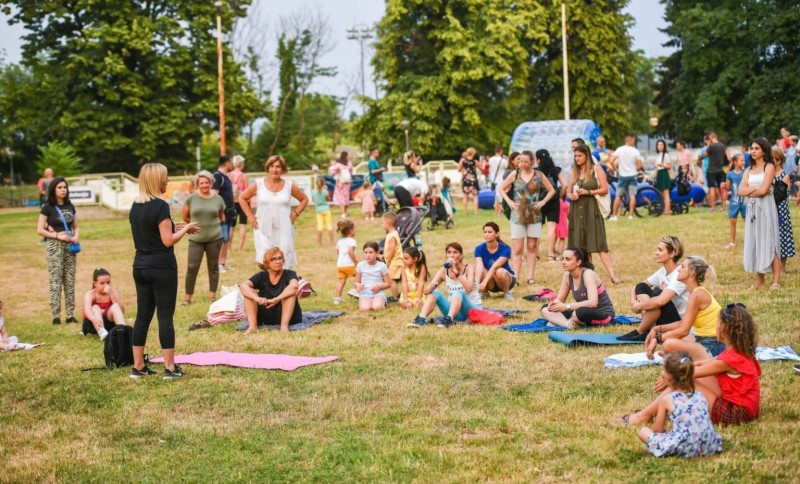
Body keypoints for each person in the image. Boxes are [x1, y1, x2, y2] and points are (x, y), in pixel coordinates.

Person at [626, 303, 761, 427]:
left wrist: (669, 374)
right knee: (684, 376)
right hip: (743, 409)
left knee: (684, 381)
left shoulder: (730, 359)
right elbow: (702, 363)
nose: (715, 327)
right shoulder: (737, 352)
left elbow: (689, 373)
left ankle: (644, 416)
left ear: (724, 329)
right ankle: (651, 413)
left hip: (735, 413)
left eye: (717, 323)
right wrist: (677, 364)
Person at [129, 163, 199, 379]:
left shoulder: (135, 206)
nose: (167, 181)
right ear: (156, 180)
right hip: (161, 267)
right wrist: (186, 229)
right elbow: (167, 241)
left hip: (140, 266)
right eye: (165, 178)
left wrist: (175, 227)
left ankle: (138, 367)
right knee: (165, 317)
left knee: (142, 316)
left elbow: (151, 232)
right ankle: (170, 368)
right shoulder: (160, 206)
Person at [633, 352, 722, 458]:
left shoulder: (667, 399)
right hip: (709, 445)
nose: (662, 373)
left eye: (665, 370)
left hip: (684, 447)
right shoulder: (700, 395)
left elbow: (658, 431)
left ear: (669, 376)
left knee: (643, 431)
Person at [643, 255, 723, 362]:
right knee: (672, 340)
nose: (679, 269)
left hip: (713, 346)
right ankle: (683, 355)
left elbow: (684, 331)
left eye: (683, 267)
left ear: (692, 272)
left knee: (668, 343)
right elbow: (684, 323)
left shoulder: (697, 295)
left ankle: (689, 356)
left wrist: (657, 339)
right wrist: (656, 329)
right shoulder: (696, 293)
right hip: (705, 342)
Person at [239, 155, 308, 270]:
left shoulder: (289, 185)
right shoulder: (259, 184)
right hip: (263, 228)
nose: (274, 169)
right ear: (267, 168)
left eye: (278, 166)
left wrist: (295, 214)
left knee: (283, 261)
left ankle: (284, 281)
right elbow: (242, 198)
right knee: (265, 261)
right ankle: (269, 281)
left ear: (283, 169)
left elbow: (304, 199)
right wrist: (250, 216)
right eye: (271, 166)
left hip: (283, 229)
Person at [566, 144, 623, 284]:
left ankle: (612, 275)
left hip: (592, 210)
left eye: (580, 156)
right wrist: (571, 195)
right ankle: (589, 275)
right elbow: (568, 191)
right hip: (577, 210)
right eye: (575, 156)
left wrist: (589, 192)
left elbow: (604, 189)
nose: (577, 158)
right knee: (582, 246)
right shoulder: (574, 172)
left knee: (600, 243)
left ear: (587, 155)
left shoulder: (596, 169)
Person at [499, 150, 556, 286]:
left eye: (525, 161)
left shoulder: (539, 175)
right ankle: (516, 277)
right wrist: (509, 202)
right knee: (517, 249)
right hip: (517, 215)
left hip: (534, 214)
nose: (522, 164)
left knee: (532, 246)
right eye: (520, 161)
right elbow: (501, 188)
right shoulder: (514, 174)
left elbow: (552, 190)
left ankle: (531, 277)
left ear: (532, 162)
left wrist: (543, 202)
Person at [618, 236, 687, 342]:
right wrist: (633, 302)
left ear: (672, 253)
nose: (656, 253)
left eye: (660, 250)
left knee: (658, 294)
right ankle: (650, 329)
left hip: (676, 323)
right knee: (642, 287)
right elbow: (639, 286)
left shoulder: (679, 274)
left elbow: (661, 301)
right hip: (662, 318)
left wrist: (639, 306)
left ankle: (640, 331)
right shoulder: (663, 271)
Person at [407, 242, 482, 329]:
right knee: (435, 292)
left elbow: (469, 288)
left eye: (455, 252)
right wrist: (433, 285)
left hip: (472, 311)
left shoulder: (469, 268)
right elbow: (426, 291)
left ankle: (449, 320)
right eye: (449, 252)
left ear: (461, 255)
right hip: (456, 312)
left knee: (457, 292)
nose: (452, 255)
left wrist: (456, 272)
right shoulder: (443, 271)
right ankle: (421, 319)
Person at [739, 138, 781, 289]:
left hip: (766, 207)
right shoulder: (748, 170)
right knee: (756, 241)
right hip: (752, 209)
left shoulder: (769, 167)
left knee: (770, 241)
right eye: (752, 148)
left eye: (756, 148)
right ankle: (760, 279)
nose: (753, 151)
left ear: (764, 151)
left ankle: (776, 281)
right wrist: (754, 190)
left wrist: (750, 191)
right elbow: (740, 190)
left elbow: (764, 190)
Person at [37, 176, 80, 325]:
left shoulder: (70, 205)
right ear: (53, 190)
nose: (63, 190)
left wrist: (76, 236)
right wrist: (57, 236)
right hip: (55, 246)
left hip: (70, 246)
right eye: (59, 187)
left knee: (70, 280)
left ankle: (70, 315)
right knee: (55, 281)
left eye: (65, 187)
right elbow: (40, 230)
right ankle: (56, 316)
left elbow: (76, 226)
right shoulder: (47, 207)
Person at [541, 247, 615, 329]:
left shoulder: (588, 274)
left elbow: (593, 303)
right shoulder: (567, 275)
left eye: (568, 259)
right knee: (546, 308)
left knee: (578, 313)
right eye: (563, 259)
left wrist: (566, 307)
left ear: (578, 262)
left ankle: (561, 321)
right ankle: (567, 324)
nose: (563, 262)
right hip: (582, 311)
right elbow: (560, 300)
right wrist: (554, 304)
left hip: (603, 314)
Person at [181, 170, 225, 306]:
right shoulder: (191, 198)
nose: (204, 185)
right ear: (197, 184)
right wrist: (193, 226)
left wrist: (211, 226)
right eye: (201, 183)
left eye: (207, 182)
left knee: (213, 267)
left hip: (215, 238)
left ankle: (212, 296)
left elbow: (221, 217)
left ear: (211, 183)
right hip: (196, 239)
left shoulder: (218, 199)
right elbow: (185, 216)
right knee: (192, 267)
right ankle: (187, 298)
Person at [240, 247, 302, 334]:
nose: (278, 261)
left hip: (286, 314)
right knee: (249, 293)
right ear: (267, 263)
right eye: (273, 259)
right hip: (266, 313)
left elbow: (294, 286)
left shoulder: (289, 273)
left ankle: (284, 327)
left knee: (289, 294)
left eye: (280, 258)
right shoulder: (262, 276)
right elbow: (243, 286)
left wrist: (276, 299)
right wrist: (257, 298)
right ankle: (253, 327)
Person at [536, 149, 567, 262]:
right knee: (551, 227)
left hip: (539, 201)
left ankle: (535, 254)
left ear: (537, 159)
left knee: (537, 228)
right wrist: (560, 196)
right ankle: (550, 254)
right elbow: (565, 185)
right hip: (553, 200)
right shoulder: (556, 169)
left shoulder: (536, 171)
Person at [474, 222, 516, 301]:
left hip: (506, 280)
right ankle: (484, 293)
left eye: (489, 232)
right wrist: (476, 284)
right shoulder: (479, 248)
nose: (486, 234)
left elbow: (494, 267)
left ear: (497, 234)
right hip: (491, 282)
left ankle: (507, 293)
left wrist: (484, 282)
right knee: (480, 269)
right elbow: (479, 266)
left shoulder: (505, 249)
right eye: (485, 232)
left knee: (499, 271)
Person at [81, 268, 124, 340]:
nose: (106, 286)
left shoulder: (112, 292)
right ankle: (102, 332)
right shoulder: (91, 294)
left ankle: (122, 330)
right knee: (95, 307)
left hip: (109, 323)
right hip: (93, 324)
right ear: (95, 283)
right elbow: (87, 309)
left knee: (115, 306)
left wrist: (111, 294)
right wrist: (94, 319)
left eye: (108, 282)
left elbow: (121, 311)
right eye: (102, 283)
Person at [771, 147, 796, 273]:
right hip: (770, 209)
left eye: (773, 160)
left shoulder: (784, 176)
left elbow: (779, 196)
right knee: (770, 236)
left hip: (780, 211)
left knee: (782, 235)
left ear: (779, 161)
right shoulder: (768, 174)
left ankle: (782, 266)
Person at [211, 155, 236, 272]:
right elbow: (214, 196)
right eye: (231, 162)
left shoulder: (226, 176)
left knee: (227, 239)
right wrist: (220, 212)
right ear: (227, 163)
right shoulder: (217, 176)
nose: (232, 165)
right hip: (222, 214)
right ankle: (217, 264)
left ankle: (223, 262)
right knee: (222, 239)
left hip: (230, 212)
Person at [610, 135, 642, 220]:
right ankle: (630, 215)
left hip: (623, 175)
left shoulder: (619, 149)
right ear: (630, 140)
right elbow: (640, 165)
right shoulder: (635, 151)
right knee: (632, 195)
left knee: (618, 195)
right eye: (633, 140)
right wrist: (634, 169)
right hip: (633, 175)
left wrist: (616, 169)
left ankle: (614, 215)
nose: (634, 142)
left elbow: (611, 161)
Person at [355, 241, 391, 312]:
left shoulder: (382, 266)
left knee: (377, 307)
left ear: (377, 253)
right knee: (365, 309)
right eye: (366, 252)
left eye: (371, 252)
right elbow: (356, 282)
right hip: (365, 293)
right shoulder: (360, 265)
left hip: (378, 293)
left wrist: (379, 287)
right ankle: (367, 302)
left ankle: (380, 302)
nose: (368, 255)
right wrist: (358, 285)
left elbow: (388, 283)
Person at [228, 155, 250, 253]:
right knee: (243, 225)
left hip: (232, 203)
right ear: (241, 164)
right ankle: (240, 249)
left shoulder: (229, 175)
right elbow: (247, 191)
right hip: (243, 202)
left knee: (231, 227)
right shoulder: (244, 176)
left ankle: (228, 249)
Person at [725, 154, 746, 249]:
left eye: (744, 160)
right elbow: (728, 187)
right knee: (733, 221)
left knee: (747, 221)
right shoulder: (729, 174)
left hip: (745, 201)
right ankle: (732, 242)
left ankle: (750, 241)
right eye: (741, 160)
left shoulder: (746, 172)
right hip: (734, 201)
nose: (744, 162)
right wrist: (724, 185)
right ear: (735, 162)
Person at [333, 219, 357, 305]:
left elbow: (337, 251)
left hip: (340, 266)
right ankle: (355, 290)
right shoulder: (352, 241)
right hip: (349, 264)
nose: (355, 231)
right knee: (359, 275)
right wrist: (356, 262)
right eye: (354, 229)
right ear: (351, 231)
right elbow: (351, 252)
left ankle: (337, 299)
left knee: (341, 282)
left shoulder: (339, 241)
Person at [381, 212, 403, 301]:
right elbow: (388, 249)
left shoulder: (393, 235)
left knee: (391, 279)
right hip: (393, 260)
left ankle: (395, 297)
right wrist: (384, 256)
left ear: (388, 222)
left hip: (395, 260)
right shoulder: (391, 234)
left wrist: (388, 260)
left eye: (382, 222)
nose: (382, 224)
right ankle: (396, 295)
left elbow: (392, 249)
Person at [705, 132, 729, 212]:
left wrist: (708, 145)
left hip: (711, 170)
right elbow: (728, 157)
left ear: (710, 138)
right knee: (722, 188)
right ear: (716, 136)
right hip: (720, 169)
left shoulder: (711, 146)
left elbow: (705, 154)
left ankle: (712, 208)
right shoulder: (723, 146)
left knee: (711, 188)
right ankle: (723, 207)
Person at [458, 147, 482, 215]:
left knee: (465, 196)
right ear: (473, 153)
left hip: (466, 180)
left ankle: (465, 212)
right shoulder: (475, 161)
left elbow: (459, 169)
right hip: (473, 180)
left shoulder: (463, 161)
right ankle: (476, 212)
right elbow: (481, 168)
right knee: (475, 196)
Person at [331, 151, 354, 218]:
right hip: (347, 183)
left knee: (341, 198)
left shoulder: (338, 165)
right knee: (346, 198)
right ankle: (345, 212)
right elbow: (351, 173)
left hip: (340, 183)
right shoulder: (349, 163)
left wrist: (337, 172)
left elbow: (332, 173)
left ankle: (343, 212)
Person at [312, 176, 334, 246]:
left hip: (318, 211)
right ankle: (331, 241)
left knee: (320, 226)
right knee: (329, 226)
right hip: (326, 209)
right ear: (323, 183)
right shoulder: (325, 191)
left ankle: (319, 243)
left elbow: (313, 200)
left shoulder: (313, 192)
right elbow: (328, 199)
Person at [654, 139, 673, 216]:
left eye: (661, 145)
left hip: (664, 173)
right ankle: (666, 210)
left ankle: (667, 212)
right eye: (658, 145)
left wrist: (662, 165)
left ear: (664, 146)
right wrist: (654, 176)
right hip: (659, 174)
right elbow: (656, 167)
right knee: (661, 194)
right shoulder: (658, 155)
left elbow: (669, 166)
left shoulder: (666, 155)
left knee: (666, 193)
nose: (660, 146)